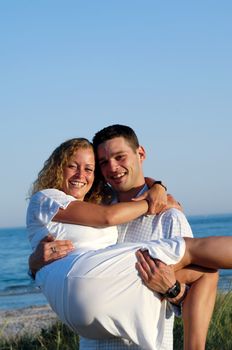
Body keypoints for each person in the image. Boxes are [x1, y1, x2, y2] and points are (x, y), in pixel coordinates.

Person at [27, 126, 219, 349]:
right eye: (104, 162)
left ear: (141, 154)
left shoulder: (169, 218)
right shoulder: (95, 207)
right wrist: (33, 265)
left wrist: (173, 290)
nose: (113, 168)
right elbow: (63, 269)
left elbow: (195, 297)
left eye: (120, 157)